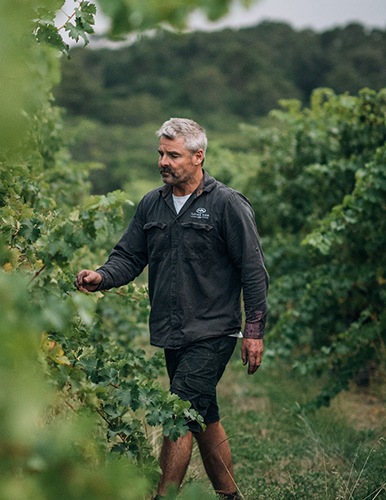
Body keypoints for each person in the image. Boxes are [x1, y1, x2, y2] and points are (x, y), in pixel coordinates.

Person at [74, 118, 268, 500]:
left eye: (173, 155)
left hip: (214, 330)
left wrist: (255, 331)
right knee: (202, 417)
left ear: (198, 157)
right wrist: (101, 276)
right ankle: (230, 496)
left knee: (177, 413)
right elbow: (129, 256)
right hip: (172, 331)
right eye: (161, 153)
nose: (164, 161)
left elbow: (253, 270)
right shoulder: (152, 204)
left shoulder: (227, 204)